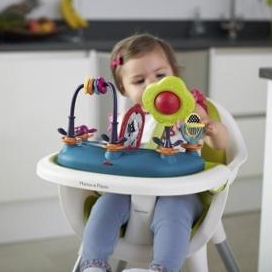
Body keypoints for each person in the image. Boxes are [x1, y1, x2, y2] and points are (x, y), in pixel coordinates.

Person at [79, 34, 228, 272]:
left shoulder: (187, 111)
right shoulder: (126, 122)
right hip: (129, 192)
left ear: (175, 76)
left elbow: (219, 142)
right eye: (139, 80)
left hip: (179, 192)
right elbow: (112, 158)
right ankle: (93, 264)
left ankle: (162, 269)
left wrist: (211, 128)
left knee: (173, 212)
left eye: (160, 76)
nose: (153, 86)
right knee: (104, 206)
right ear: (124, 89)